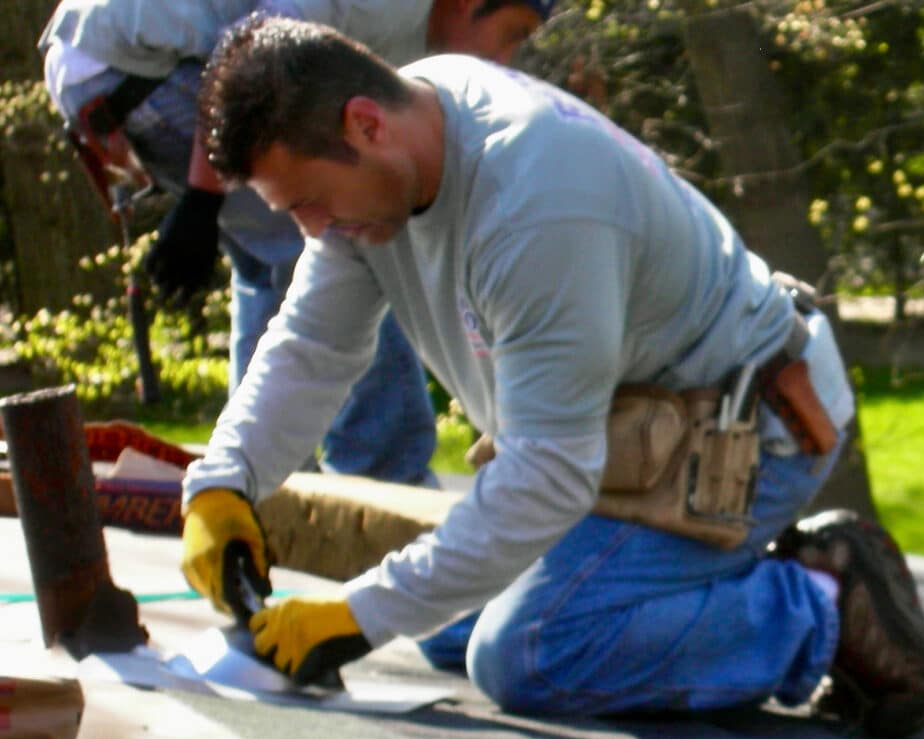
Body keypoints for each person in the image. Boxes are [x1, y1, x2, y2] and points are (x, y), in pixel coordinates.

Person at [180, 15, 924, 739]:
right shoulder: (394, 146)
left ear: (364, 124)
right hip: (628, 438)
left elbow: (549, 473)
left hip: (748, 438)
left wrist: (357, 614)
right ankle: (692, 588)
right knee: (449, 626)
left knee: (528, 652)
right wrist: (223, 482)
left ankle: (822, 606)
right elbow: (313, 346)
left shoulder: (536, 201)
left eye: (309, 202)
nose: (311, 232)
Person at [38, 0, 557, 485]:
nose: (505, 57)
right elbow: (256, 63)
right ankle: (384, 477)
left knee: (273, 268)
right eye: (511, 33)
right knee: (353, 240)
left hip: (117, 62)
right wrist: (201, 196)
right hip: (137, 61)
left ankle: (260, 490)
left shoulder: (428, 54)